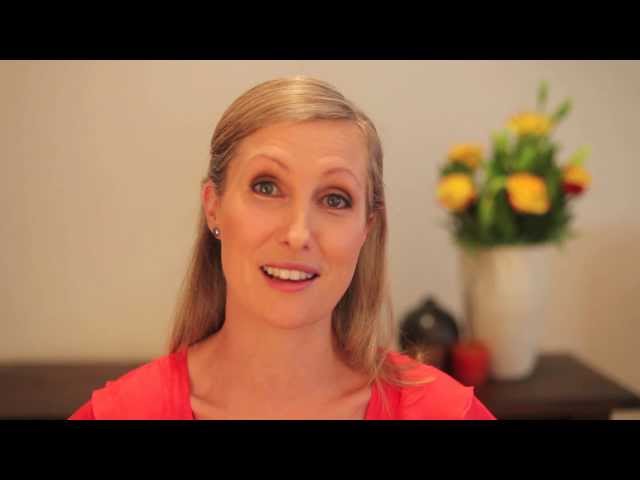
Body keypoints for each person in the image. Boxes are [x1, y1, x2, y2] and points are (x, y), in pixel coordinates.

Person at [69, 76, 495, 420]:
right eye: (267, 187)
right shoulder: (122, 412)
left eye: (334, 199)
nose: (298, 233)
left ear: (367, 228)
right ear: (213, 206)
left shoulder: (445, 412)